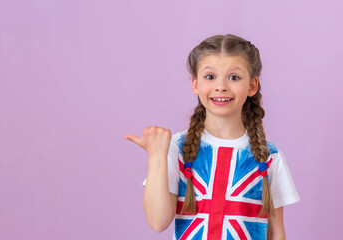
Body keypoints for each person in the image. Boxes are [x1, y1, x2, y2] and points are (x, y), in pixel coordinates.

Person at [124, 34, 300, 240]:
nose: (221, 86)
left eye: (234, 77)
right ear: (195, 84)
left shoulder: (269, 156)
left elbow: (276, 232)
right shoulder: (176, 148)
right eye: (210, 77)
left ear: (252, 86)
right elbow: (157, 222)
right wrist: (156, 156)